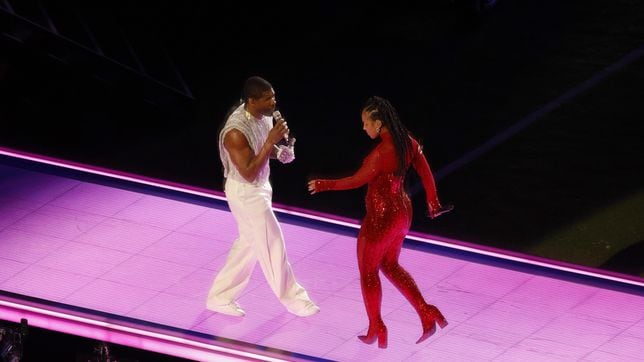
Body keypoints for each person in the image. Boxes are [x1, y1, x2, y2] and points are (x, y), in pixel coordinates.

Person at [308, 96, 449, 348]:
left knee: (368, 271)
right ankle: (426, 311)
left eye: (365, 122)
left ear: (379, 122)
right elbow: (426, 172)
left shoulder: (381, 153)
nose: (363, 128)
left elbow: (355, 181)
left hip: (382, 217)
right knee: (390, 264)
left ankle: (377, 326)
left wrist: (324, 184)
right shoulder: (409, 142)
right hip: (404, 213)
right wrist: (432, 202)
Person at [207, 76, 319, 317]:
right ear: (252, 101)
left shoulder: (265, 115)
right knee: (272, 242)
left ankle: (219, 296)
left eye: (274, 97)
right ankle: (295, 300)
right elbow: (247, 172)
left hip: (261, 187)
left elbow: (264, 151)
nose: (273, 102)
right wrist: (271, 141)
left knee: (249, 244)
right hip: (246, 193)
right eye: (268, 99)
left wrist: (282, 152)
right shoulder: (234, 132)